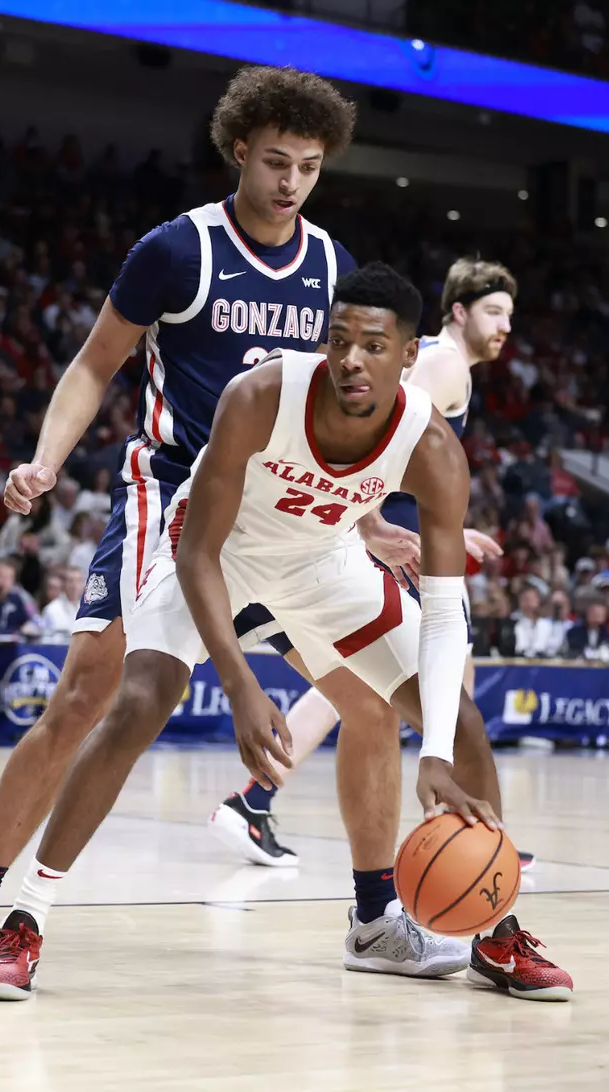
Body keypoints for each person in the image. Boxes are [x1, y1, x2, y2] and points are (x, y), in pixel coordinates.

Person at [0, 265, 570, 1003]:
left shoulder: (433, 448)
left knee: (462, 724)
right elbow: (196, 553)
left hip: (323, 557)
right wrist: (239, 684)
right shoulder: (261, 395)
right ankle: (25, 916)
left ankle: (495, 931)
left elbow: (445, 616)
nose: (350, 359)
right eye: (339, 339)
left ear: (408, 356)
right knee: (140, 698)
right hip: (219, 550)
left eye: (373, 346)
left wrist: (436, 753)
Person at [0, 65, 408, 964]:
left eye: (308, 165)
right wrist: (46, 459)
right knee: (86, 697)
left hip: (277, 516)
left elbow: (343, 409)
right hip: (168, 494)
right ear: (238, 152)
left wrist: (366, 514)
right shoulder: (175, 250)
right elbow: (91, 364)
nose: (290, 180)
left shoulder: (332, 267)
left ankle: (375, 917)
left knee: (369, 701)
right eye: (275, 160)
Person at [209, 257, 524, 868]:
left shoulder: (439, 365)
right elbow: (367, 439)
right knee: (396, 688)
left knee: (412, 696)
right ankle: (262, 795)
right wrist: (374, 522)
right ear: (457, 313)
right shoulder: (441, 364)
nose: (505, 325)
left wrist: (450, 525)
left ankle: (459, 833)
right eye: (493, 311)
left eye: (510, 314)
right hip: (328, 538)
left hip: (359, 529)